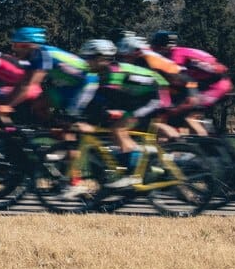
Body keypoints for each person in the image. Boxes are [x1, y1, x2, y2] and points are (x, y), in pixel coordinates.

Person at [70, 39, 172, 190]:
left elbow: (106, 101)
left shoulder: (113, 73)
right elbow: (95, 100)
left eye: (88, 58)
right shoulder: (104, 73)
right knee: (115, 124)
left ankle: (132, 174)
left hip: (155, 97)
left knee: (118, 128)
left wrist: (90, 120)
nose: (86, 62)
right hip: (142, 96)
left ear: (101, 59)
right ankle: (140, 162)